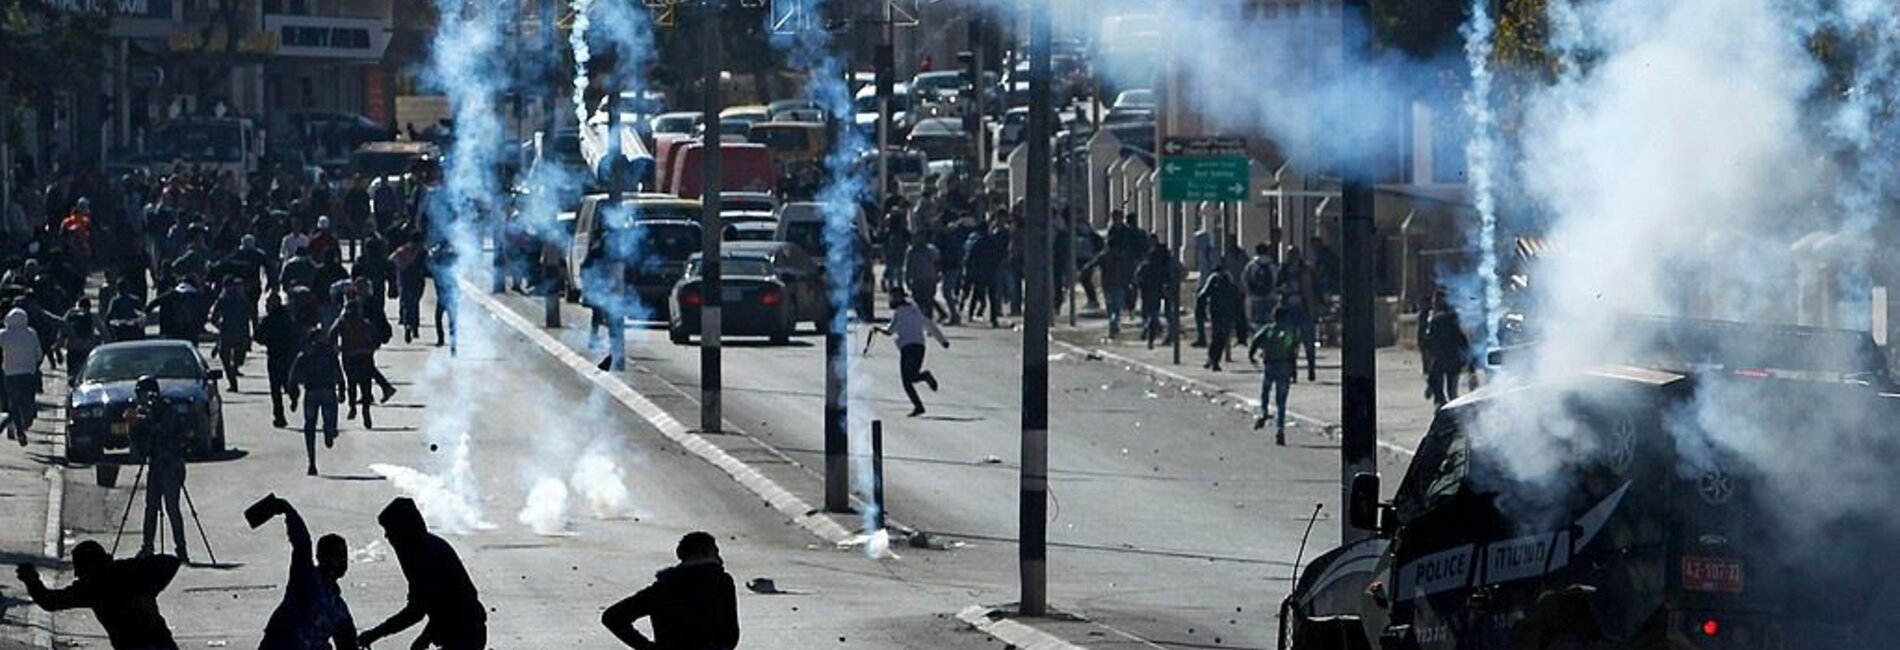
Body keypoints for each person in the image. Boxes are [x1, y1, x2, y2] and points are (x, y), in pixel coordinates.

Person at [358, 497, 487, 650]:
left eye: (389, 531)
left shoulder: (426, 556)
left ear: (402, 530)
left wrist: (377, 634)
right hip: (461, 632)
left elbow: (428, 609)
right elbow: (422, 605)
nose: (387, 537)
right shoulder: (420, 549)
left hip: (465, 634)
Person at [15, 540, 183, 650]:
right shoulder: (129, 572)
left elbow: (50, 601)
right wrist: (135, 564)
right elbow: (171, 562)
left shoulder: (91, 587)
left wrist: (31, 580)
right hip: (162, 643)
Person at [251, 495, 358, 650]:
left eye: (344, 555)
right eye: (337, 554)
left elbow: (348, 643)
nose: (342, 561)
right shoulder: (307, 578)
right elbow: (302, 544)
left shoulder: (338, 607)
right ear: (321, 557)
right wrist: (288, 511)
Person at [601, 531, 740, 650]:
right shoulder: (721, 582)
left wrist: (648, 648)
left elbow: (613, 617)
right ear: (706, 554)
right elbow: (731, 633)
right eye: (716, 553)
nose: (721, 560)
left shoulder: (664, 588)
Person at [128, 375, 191, 560]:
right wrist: (133, 426)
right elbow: (140, 445)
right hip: (156, 463)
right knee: (151, 507)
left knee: (172, 507)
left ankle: (181, 550)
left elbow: (164, 431)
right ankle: (147, 547)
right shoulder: (144, 411)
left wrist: (144, 420)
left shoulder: (166, 409)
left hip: (171, 463)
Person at [873, 290, 949, 417]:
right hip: (920, 347)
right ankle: (924, 378)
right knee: (912, 376)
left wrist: (878, 329)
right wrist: (942, 341)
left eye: (892, 297)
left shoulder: (899, 312)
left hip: (907, 348)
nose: (891, 300)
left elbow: (890, 331)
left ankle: (918, 405)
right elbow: (930, 325)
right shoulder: (915, 310)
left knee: (907, 381)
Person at [286, 328, 341, 476]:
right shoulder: (330, 353)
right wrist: (342, 390)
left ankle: (311, 462)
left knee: (310, 426)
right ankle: (329, 430)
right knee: (331, 418)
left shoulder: (304, 355)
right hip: (328, 391)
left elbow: (292, 379)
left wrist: (293, 398)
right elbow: (339, 372)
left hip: (311, 392)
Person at [1249, 304, 1301, 445]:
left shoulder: (1268, 329)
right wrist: (1294, 371)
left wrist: (1251, 355)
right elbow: (1293, 352)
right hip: (1285, 366)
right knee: (1281, 401)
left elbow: (1255, 340)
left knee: (1265, 392)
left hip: (1270, 365)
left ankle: (1264, 413)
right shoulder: (1291, 331)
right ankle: (1280, 428)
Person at [256, 293, 303, 428]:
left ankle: (293, 396)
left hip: (286, 356)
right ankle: (279, 416)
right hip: (275, 355)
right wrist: (267, 341)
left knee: (287, 383)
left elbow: (295, 334)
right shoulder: (269, 319)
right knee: (275, 388)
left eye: (270, 302)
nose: (268, 305)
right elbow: (257, 336)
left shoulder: (286, 317)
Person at [1277, 247, 1320, 382]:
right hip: (1289, 309)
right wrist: (1282, 289)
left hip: (1305, 308)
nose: (1292, 257)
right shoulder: (1283, 270)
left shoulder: (1307, 269)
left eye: (1294, 254)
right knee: (1290, 343)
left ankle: (1311, 369)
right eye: (1290, 254)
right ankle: (1292, 372)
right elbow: (1277, 286)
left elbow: (1316, 288)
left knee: (1308, 341)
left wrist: (1317, 304)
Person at [2, 307, 43, 444]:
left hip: (10, 374)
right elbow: (39, 355)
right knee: (26, 403)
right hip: (28, 375)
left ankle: (17, 428)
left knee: (14, 403)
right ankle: (21, 427)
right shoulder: (31, 334)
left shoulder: (4, 335)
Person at [1423, 294, 1472, 407]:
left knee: (1435, 380)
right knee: (1452, 391)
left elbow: (1430, 340)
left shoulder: (1436, 320)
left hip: (1441, 358)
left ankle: (1440, 401)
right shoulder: (1454, 319)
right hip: (1453, 359)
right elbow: (1462, 341)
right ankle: (1450, 406)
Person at [1194, 267, 1243, 372]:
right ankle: (1213, 360)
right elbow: (1238, 300)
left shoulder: (1216, 281)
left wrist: (1201, 312)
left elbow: (1202, 296)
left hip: (1218, 313)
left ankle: (1213, 359)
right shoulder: (1224, 282)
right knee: (1220, 337)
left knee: (1218, 337)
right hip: (1223, 314)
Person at [209, 281, 254, 393]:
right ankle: (233, 374)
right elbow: (253, 316)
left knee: (226, 359)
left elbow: (213, 318)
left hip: (227, 333)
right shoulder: (243, 300)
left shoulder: (223, 300)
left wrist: (220, 326)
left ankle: (232, 380)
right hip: (240, 333)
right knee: (235, 358)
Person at [1134, 246, 1174, 350]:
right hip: (1159, 293)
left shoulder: (1145, 266)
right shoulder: (1163, 267)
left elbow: (1136, 278)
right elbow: (1168, 280)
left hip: (1147, 294)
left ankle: (1148, 333)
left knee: (1151, 316)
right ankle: (1151, 333)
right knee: (1157, 316)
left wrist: (1141, 286)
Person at [60, 297, 102, 387]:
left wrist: (58, 346)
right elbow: (104, 331)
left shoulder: (70, 315)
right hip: (87, 349)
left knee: (72, 375)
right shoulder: (93, 317)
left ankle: (71, 393)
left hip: (73, 348)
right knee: (86, 374)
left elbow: (63, 330)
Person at [903, 238, 941, 321]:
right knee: (920, 301)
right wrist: (907, 280)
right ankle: (923, 320)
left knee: (927, 301)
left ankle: (928, 321)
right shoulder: (912, 251)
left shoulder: (930, 250)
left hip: (927, 279)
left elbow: (937, 263)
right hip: (919, 279)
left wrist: (937, 275)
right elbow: (908, 266)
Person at [1242, 243, 1278, 330]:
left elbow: (1245, 279)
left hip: (1255, 297)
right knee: (1268, 320)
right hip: (1269, 295)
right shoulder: (1271, 264)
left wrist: (1249, 292)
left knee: (1256, 321)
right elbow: (1275, 279)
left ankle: (1258, 337)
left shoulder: (1251, 265)